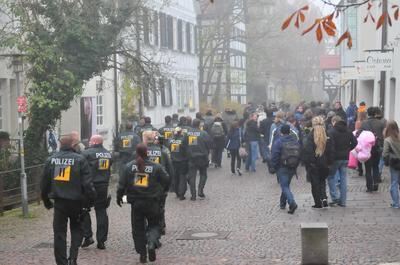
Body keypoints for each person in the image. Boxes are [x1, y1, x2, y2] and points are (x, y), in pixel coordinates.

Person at [40, 134, 96, 265]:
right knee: (77, 229)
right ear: (73, 145)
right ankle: (73, 257)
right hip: (77, 202)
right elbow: (88, 185)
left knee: (59, 233)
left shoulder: (51, 160)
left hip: (60, 203)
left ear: (60, 145)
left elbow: (44, 184)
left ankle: (61, 262)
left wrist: (46, 200)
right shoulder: (80, 160)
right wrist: (90, 201)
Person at [117, 144, 169, 263]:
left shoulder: (128, 167)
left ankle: (142, 254)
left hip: (136, 203)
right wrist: (162, 192)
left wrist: (119, 198)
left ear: (136, 152)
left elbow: (121, 185)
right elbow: (166, 180)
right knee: (155, 225)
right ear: (147, 153)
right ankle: (151, 244)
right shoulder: (156, 167)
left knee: (137, 229)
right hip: (152, 201)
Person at [80, 135, 113, 249]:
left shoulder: (86, 153)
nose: (89, 142)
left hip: (89, 186)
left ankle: (87, 236)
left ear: (94, 142)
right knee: (101, 211)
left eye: (90, 140)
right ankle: (101, 240)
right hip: (103, 186)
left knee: (83, 210)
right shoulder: (108, 153)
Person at [142, 131, 173, 235]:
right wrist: (167, 186)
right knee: (160, 206)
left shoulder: (139, 153)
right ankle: (160, 226)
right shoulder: (162, 152)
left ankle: (146, 228)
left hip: (143, 185)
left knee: (143, 208)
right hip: (159, 185)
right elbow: (170, 170)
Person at [303, 116, 333, 208]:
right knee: (322, 181)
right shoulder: (327, 134)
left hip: (314, 164)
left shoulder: (311, 135)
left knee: (315, 184)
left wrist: (309, 163)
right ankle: (324, 198)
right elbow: (331, 150)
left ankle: (318, 203)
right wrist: (329, 162)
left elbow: (308, 151)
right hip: (325, 163)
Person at [327, 116, 357, 207]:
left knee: (331, 177)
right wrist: (348, 149)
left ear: (334, 122)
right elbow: (355, 143)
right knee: (343, 179)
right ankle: (343, 201)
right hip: (345, 158)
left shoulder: (332, 132)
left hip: (335, 158)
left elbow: (330, 146)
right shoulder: (348, 131)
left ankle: (335, 197)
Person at [271, 125, 300, 214]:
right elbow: (299, 153)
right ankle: (282, 204)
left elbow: (274, 155)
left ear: (281, 132)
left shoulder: (278, 142)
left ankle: (292, 203)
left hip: (282, 167)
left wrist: (274, 166)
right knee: (286, 185)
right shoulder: (295, 141)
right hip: (292, 166)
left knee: (285, 186)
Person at [361, 107, 385, 192]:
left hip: (367, 148)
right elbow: (383, 135)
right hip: (378, 147)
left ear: (368, 113)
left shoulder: (364, 123)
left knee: (368, 168)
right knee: (376, 166)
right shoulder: (381, 123)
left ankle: (369, 187)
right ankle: (376, 184)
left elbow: (361, 136)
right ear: (375, 113)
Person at [187, 119, 212, 200]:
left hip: (191, 157)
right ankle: (200, 191)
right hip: (202, 157)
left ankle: (193, 195)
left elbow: (183, 144)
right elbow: (209, 144)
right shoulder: (204, 133)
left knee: (192, 176)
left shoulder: (187, 133)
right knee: (203, 174)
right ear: (199, 125)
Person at [167, 127, 189, 200]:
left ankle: (177, 192)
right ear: (181, 132)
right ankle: (181, 194)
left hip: (173, 161)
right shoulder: (183, 140)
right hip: (182, 161)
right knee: (182, 177)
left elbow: (168, 148)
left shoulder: (170, 140)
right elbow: (186, 149)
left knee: (175, 177)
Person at [382, 121, 400, 208]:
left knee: (394, 182)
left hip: (395, 163)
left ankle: (396, 203)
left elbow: (385, 153)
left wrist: (387, 161)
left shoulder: (388, 140)